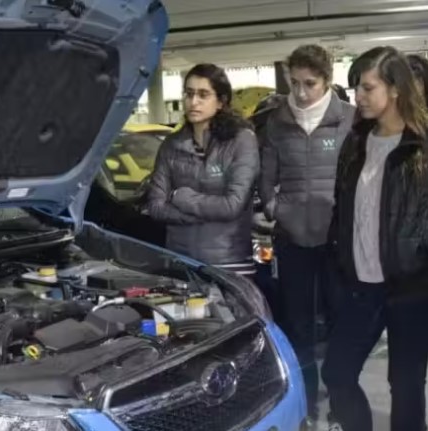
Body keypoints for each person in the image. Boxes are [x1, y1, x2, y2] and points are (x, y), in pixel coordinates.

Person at [322, 45, 428, 431]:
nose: (358, 98)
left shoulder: (421, 147)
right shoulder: (356, 143)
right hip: (360, 286)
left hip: (411, 288)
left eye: (368, 88)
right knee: (337, 374)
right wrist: (339, 258)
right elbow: (342, 209)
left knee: (406, 385)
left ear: (395, 89)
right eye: (355, 89)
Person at [257, 44, 356, 424]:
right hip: (293, 240)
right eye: (293, 83)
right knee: (298, 325)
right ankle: (308, 405)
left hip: (337, 241)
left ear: (327, 81)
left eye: (309, 84)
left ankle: (338, 405)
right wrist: (275, 209)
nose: (299, 92)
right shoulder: (276, 123)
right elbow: (267, 180)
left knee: (339, 321)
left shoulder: (348, 119)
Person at [145, 63, 259, 276]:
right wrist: (202, 216)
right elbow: (156, 206)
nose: (193, 102)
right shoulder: (171, 145)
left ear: (221, 101)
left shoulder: (242, 140)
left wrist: (181, 197)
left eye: (203, 94)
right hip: (181, 261)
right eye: (188, 94)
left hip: (230, 262)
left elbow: (232, 205)